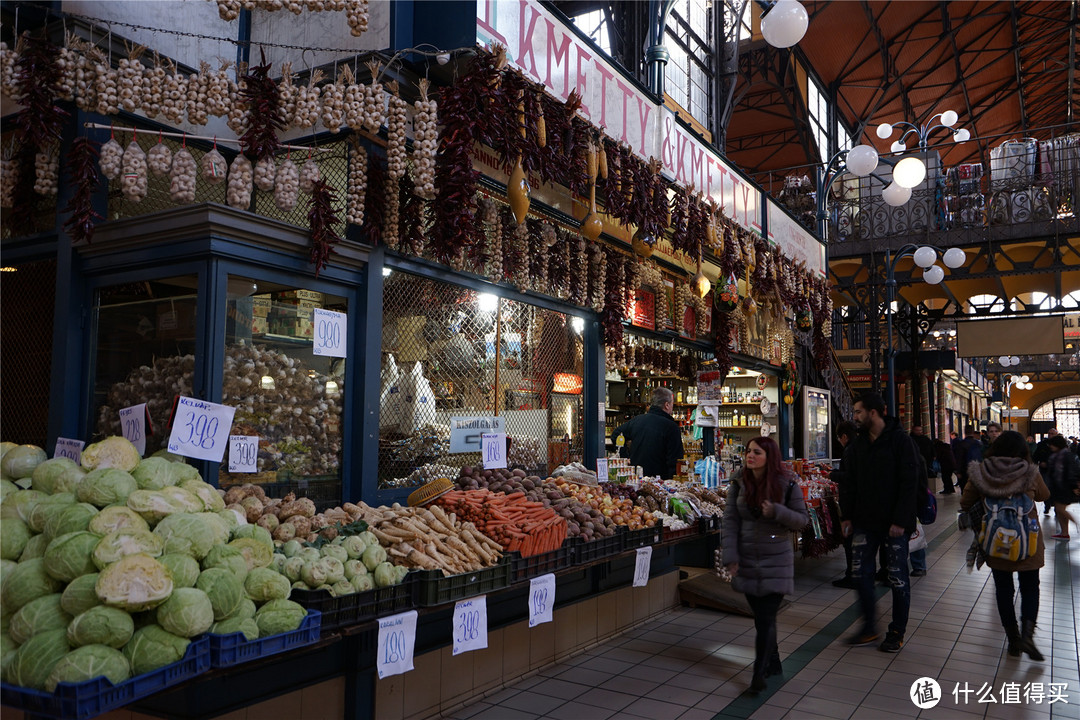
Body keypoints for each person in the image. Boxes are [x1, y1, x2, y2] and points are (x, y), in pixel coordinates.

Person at [722, 437, 809, 693]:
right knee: (762, 620)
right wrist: (731, 556)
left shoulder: (787, 484)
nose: (750, 456)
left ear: (769, 456)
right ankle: (774, 661)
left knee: (765, 618)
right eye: (748, 451)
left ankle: (757, 675)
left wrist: (777, 512)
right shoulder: (739, 483)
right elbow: (730, 522)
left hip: (776, 559)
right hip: (747, 559)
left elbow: (801, 521)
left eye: (756, 452)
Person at [960, 431, 1049, 661]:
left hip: (996, 539)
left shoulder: (981, 471)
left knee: (1003, 589)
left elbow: (965, 502)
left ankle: (1013, 640)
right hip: (1027, 540)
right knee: (1030, 587)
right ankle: (1028, 635)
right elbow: (1044, 495)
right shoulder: (1030, 472)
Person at [840, 392, 918, 653]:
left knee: (897, 578)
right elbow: (849, 483)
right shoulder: (857, 446)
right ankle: (869, 627)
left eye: (859, 412)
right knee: (860, 574)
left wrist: (900, 520)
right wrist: (847, 516)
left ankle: (896, 632)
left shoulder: (900, 441)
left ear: (873, 413)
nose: (855, 417)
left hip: (894, 525)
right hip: (864, 522)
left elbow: (910, 484)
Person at [611, 387, 684, 480]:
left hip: (636, 477)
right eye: (672, 403)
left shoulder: (637, 420)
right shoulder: (671, 427)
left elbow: (616, 434)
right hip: (659, 480)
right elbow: (675, 460)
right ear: (666, 405)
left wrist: (624, 456)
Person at [831, 420, 859, 588]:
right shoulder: (860, 448)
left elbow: (850, 478)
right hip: (858, 503)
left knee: (850, 542)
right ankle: (856, 574)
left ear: (844, 436)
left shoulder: (850, 451)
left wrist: (833, 475)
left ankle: (852, 575)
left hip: (851, 503)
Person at [1045, 435, 1080, 540]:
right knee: (1059, 510)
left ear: (1057, 445)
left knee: (1060, 509)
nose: (1050, 446)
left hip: (1065, 487)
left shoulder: (1067, 455)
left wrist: (1074, 485)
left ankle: (1076, 523)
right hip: (1057, 487)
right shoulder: (1056, 456)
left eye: (1052, 444)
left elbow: (1072, 471)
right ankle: (1064, 533)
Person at [1032, 428, 1057, 516]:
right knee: (1046, 487)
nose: (1050, 435)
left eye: (1053, 434)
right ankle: (1047, 505)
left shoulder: (1059, 445)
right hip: (1044, 471)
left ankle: (1056, 508)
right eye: (1049, 433)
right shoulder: (1042, 445)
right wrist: (1038, 463)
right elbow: (1036, 456)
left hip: (1056, 471)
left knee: (1055, 488)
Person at [954, 425, 983, 492]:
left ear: (965, 432)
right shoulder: (979, 444)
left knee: (965, 490)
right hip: (977, 470)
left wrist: (958, 471)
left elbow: (959, 458)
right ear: (973, 432)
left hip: (965, 470)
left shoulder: (961, 444)